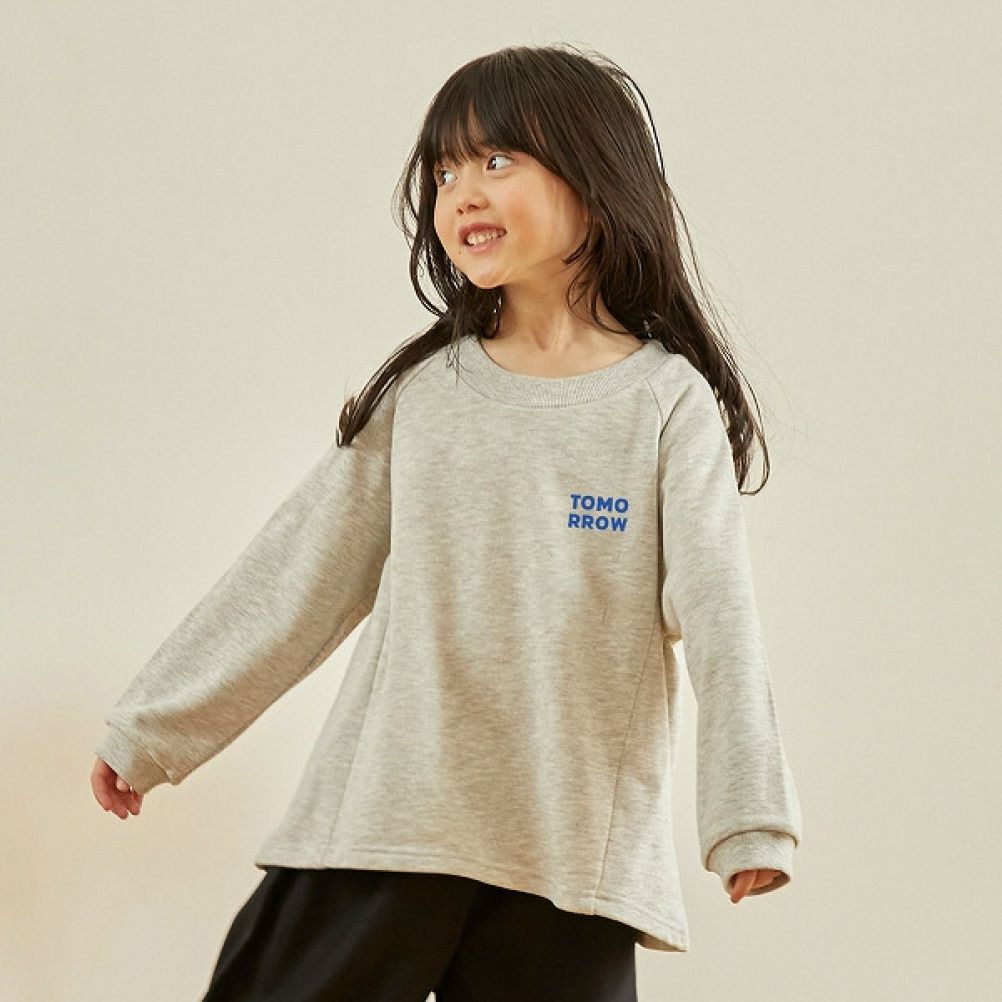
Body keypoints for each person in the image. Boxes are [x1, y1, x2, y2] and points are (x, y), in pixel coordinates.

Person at [91, 42, 803, 1001]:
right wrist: (153, 729)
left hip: (567, 855)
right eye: (444, 171)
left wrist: (748, 816)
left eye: (496, 160)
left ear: (597, 180)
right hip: (391, 819)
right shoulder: (428, 396)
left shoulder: (666, 406)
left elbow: (721, 618)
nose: (461, 191)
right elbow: (298, 574)